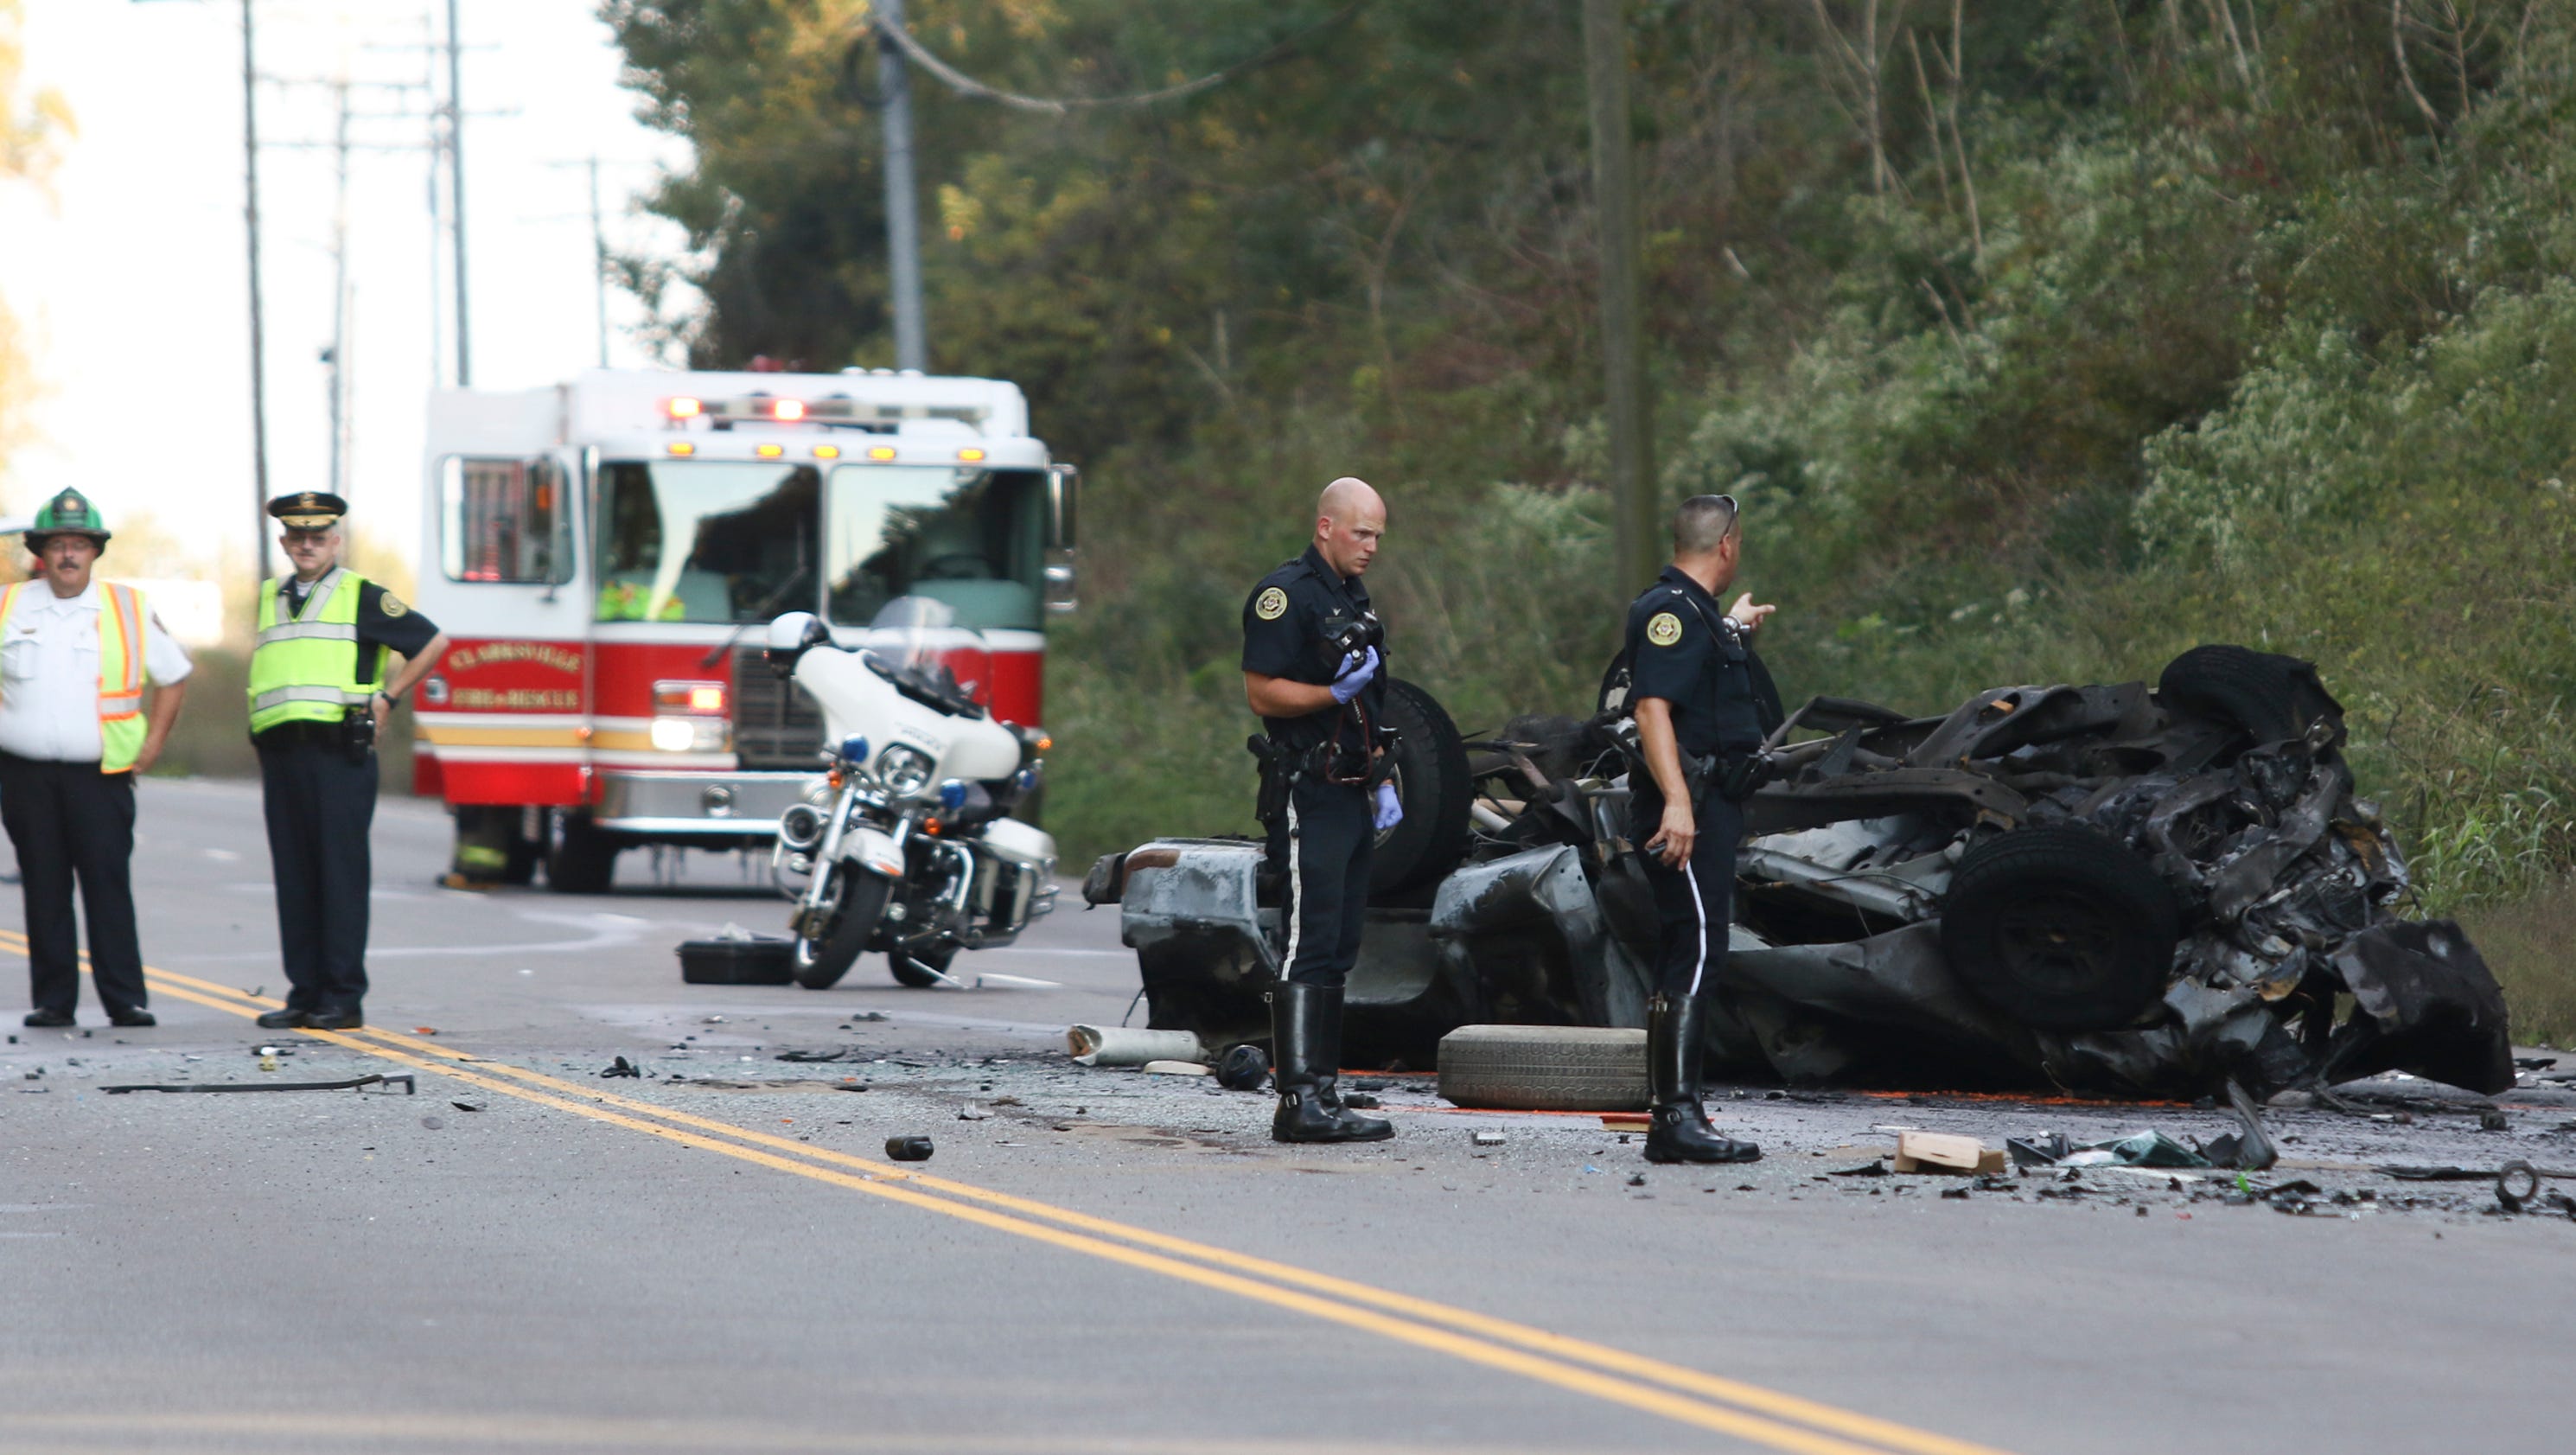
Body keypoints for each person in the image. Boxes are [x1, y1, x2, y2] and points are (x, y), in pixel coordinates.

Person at [248, 493, 449, 1031]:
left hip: (339, 752)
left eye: (318, 537)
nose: (307, 545)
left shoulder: (359, 594)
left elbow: (431, 643)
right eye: (297, 537)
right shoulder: (271, 596)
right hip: (284, 753)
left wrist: (389, 699)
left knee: (338, 876)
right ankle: (305, 992)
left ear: (335, 541)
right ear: (285, 542)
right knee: (295, 877)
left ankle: (341, 997)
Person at [1241, 477, 1401, 1144]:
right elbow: (1262, 691)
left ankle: (1325, 1091)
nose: (1371, 547)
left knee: (1338, 941)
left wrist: (1383, 773)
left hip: (1352, 788)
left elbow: (1367, 700)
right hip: (1309, 791)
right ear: (1326, 526)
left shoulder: (1347, 594)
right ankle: (1298, 1099)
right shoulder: (1286, 595)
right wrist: (1328, 692)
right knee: (1308, 941)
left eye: (1378, 536)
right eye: (1361, 532)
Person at [0, 490, 193, 1028]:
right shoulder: (7, 605)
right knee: (44, 885)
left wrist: (152, 745)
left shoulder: (128, 608)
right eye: (58, 544)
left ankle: (125, 999)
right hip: (23, 773)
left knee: (107, 884)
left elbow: (174, 676)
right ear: (41, 551)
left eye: (79, 544)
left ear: (94, 552)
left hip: (101, 775)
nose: (68, 555)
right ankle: (54, 1000)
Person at [1623, 494, 1772, 1165]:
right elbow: (1653, 709)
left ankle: (1673, 1112)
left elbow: (1697, 682)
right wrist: (1678, 803)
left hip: (1709, 804)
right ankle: (1676, 1119)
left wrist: (1736, 630)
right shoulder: (1670, 613)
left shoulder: (1698, 617)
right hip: (1691, 810)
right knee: (1700, 949)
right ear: (1728, 546)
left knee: (1690, 948)